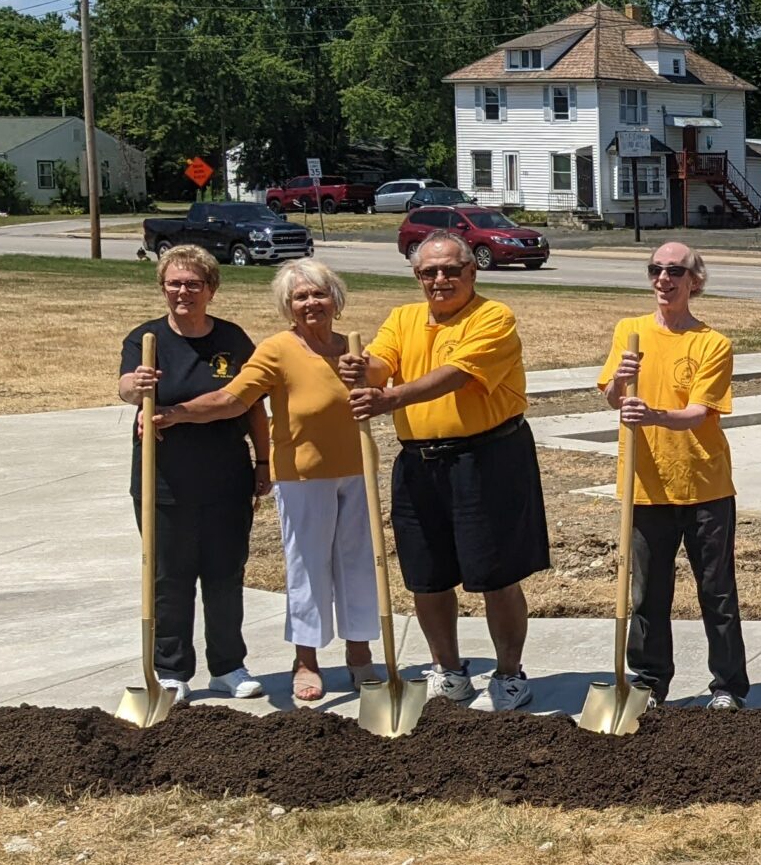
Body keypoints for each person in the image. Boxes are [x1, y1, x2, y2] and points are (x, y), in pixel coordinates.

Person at [337, 230, 547, 711]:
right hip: (419, 463)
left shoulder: (493, 317)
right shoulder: (403, 318)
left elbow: (456, 373)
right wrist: (361, 371)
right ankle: (448, 671)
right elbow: (380, 364)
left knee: (496, 574)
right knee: (425, 576)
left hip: (487, 458)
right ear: (416, 276)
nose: (440, 279)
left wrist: (389, 397)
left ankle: (510, 674)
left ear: (473, 272)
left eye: (452, 269)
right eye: (429, 271)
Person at [157, 257, 377, 704]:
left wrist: (372, 377)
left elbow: (384, 389)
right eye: (300, 296)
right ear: (287, 306)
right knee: (308, 569)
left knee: (358, 566)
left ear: (336, 298)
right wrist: (174, 414)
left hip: (357, 473)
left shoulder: (353, 348)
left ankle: (360, 656)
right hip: (302, 475)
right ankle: (307, 661)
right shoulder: (278, 348)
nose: (311, 302)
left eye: (319, 293)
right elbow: (233, 399)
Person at [600, 240, 748, 711]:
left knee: (716, 592)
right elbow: (610, 398)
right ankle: (648, 683)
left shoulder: (712, 343)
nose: (664, 279)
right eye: (655, 270)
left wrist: (654, 415)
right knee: (647, 595)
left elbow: (698, 412)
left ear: (694, 282)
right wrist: (622, 381)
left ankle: (727, 687)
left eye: (675, 271)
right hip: (645, 486)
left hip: (704, 486)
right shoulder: (630, 331)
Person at [116, 244, 267, 700]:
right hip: (163, 483)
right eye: (175, 283)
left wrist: (264, 462)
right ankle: (171, 671)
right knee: (170, 577)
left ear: (211, 290)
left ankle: (228, 667)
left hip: (226, 480)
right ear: (162, 287)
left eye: (193, 284)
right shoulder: (146, 340)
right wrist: (135, 387)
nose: (184, 292)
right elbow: (125, 386)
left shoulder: (233, 341)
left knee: (225, 574)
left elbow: (253, 406)